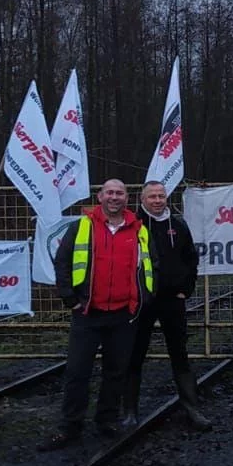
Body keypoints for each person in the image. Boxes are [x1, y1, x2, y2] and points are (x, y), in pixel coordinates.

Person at [42, 178, 153, 449]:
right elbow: (63, 262)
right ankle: (70, 426)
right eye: (110, 192)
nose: (114, 197)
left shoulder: (138, 229)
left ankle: (106, 421)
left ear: (127, 198)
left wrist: (142, 300)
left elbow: (149, 267)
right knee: (77, 371)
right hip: (87, 312)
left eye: (120, 193)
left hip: (123, 314)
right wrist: (70, 299)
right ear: (100, 196)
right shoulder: (83, 226)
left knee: (116, 372)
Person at [126, 180, 211, 431]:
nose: (157, 200)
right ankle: (129, 411)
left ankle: (192, 408)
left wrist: (187, 289)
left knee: (180, 354)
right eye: (152, 196)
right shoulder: (133, 225)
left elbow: (191, 259)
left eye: (161, 195)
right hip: (142, 301)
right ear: (142, 199)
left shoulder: (179, 225)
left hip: (173, 300)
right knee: (134, 354)